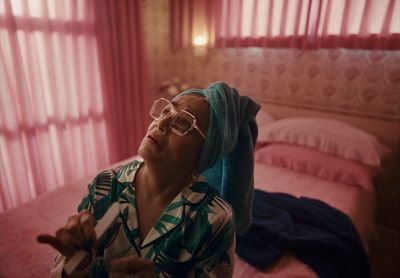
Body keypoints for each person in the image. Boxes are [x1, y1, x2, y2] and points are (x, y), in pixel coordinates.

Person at [37, 81, 260, 277]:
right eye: (165, 112)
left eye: (182, 123)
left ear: (203, 154)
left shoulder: (214, 219)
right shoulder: (105, 186)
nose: (160, 124)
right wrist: (78, 261)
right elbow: (70, 268)